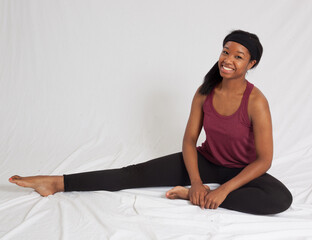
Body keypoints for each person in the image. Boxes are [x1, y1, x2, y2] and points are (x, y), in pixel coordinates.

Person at [9, 30, 292, 215]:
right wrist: (196, 181)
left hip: (239, 170)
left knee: (280, 199)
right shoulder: (205, 91)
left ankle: (191, 197)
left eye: (238, 56)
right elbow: (189, 141)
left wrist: (222, 190)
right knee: (130, 175)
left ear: (251, 64)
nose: (228, 59)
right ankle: (56, 183)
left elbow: (264, 160)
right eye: (225, 51)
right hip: (204, 161)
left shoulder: (256, 101)